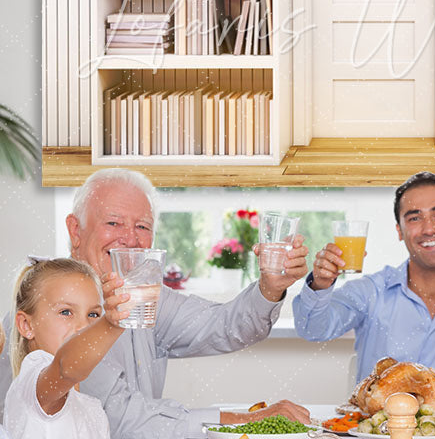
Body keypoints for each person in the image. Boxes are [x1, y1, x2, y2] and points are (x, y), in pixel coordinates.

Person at [0, 168, 311, 439]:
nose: (130, 239)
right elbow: (124, 422)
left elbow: (225, 326)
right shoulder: (48, 310)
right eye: (113, 222)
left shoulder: (143, 295)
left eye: (143, 227)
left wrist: (270, 288)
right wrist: (245, 420)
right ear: (75, 231)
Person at [292, 171, 435, 405]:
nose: (429, 229)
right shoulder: (371, 292)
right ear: (399, 231)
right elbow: (311, 328)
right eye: (415, 218)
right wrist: (320, 284)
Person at [3, 257, 129, 438]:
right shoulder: (31, 387)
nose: (84, 326)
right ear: (26, 325)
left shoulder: (93, 410)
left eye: (93, 314)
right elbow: (66, 368)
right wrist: (112, 324)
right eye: (66, 312)